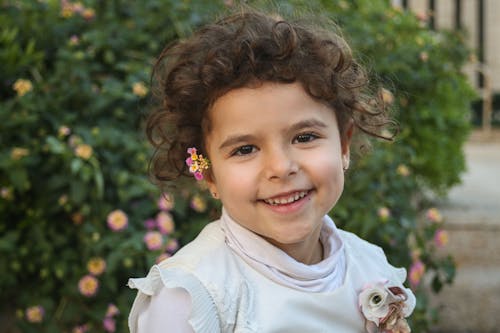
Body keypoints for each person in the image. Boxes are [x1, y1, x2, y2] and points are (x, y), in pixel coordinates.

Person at [128, 7, 416, 333]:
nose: (280, 167)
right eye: (245, 149)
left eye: (304, 137)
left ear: (344, 144)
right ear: (209, 174)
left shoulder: (370, 266)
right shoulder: (192, 298)